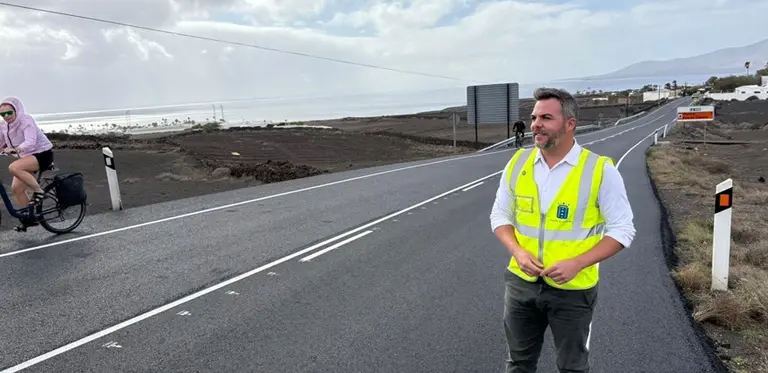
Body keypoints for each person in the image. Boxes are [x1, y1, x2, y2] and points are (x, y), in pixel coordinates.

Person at [489, 87, 635, 373]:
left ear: (570, 124)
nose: (535, 125)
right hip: (521, 284)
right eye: (533, 117)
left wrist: (577, 263)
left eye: (546, 117)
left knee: (572, 367)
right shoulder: (518, 162)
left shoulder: (599, 170)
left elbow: (623, 229)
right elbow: (500, 214)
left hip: (573, 289)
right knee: (518, 364)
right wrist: (517, 251)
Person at [0, 97, 54, 228]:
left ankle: (38, 191)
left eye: (9, 113)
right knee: (16, 189)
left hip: (42, 154)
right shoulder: (3, 125)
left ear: (16, 110)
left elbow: (31, 141)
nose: (6, 116)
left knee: (13, 167)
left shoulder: (26, 120)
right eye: (2, 114)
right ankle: (28, 218)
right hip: (26, 157)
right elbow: (1, 143)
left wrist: (16, 149)